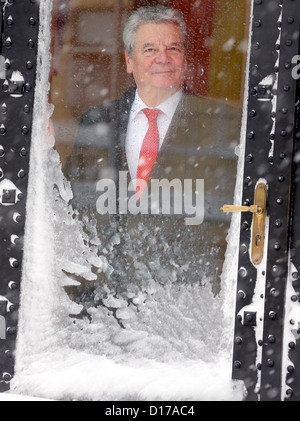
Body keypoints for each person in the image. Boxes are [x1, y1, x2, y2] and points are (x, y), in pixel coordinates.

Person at [65, 5, 241, 300]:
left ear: (185, 58)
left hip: (184, 306)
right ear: (129, 60)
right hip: (103, 304)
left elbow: (230, 223)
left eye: (173, 48)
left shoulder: (222, 125)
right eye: (150, 49)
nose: (163, 58)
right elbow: (72, 212)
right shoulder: (97, 122)